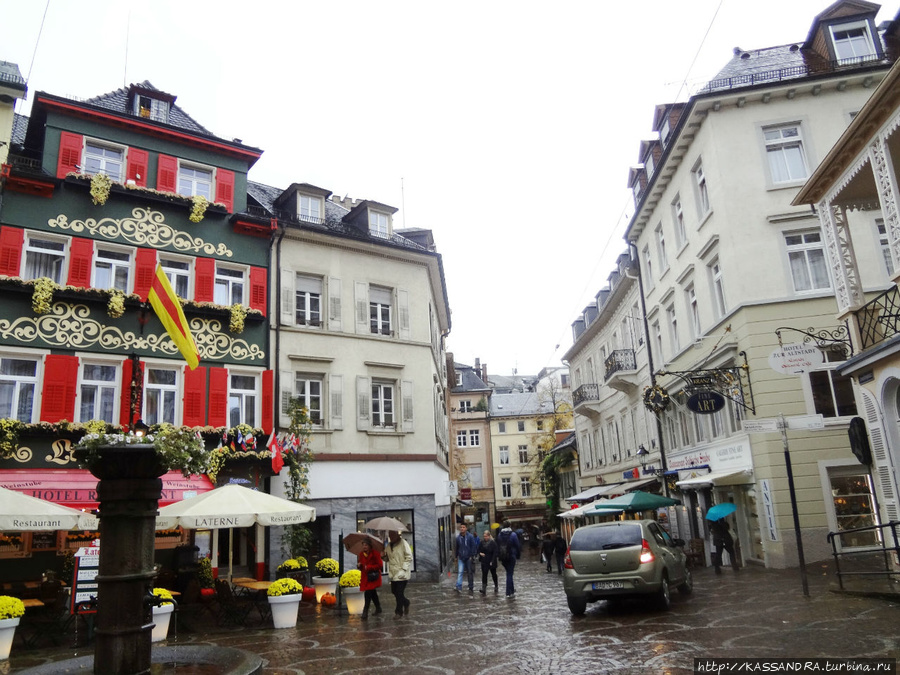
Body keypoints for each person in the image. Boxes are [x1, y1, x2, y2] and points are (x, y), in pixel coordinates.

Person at [385, 530, 412, 616]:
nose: (391, 537)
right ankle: (406, 602)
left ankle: (398, 612)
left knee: (399, 592)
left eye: (392, 535)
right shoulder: (389, 545)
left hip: (402, 573)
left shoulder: (403, 543)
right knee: (394, 591)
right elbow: (388, 559)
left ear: (397, 535)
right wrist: (383, 556)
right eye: (389, 535)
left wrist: (404, 568)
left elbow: (409, 557)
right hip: (393, 573)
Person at [357, 539, 383, 619]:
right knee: (372, 592)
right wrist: (359, 565)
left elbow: (380, 565)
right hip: (366, 577)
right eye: (363, 545)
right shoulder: (361, 554)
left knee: (368, 593)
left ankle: (365, 612)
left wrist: (369, 567)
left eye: (366, 545)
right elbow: (361, 565)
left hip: (373, 576)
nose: (364, 547)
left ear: (369, 546)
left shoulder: (375, 553)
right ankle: (378, 608)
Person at [496, 520, 521, 598]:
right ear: (509, 525)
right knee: (509, 574)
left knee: (509, 572)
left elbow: (498, 545)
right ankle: (508, 592)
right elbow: (517, 545)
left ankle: (512, 590)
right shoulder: (513, 535)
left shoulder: (499, 535)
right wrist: (518, 555)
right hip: (511, 556)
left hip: (503, 557)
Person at [453, 523, 478, 594]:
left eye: (463, 527)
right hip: (461, 557)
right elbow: (457, 548)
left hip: (468, 558)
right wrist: (456, 556)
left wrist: (472, 555)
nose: (462, 528)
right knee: (460, 572)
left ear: (466, 528)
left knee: (469, 573)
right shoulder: (458, 538)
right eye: (461, 527)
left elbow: (473, 546)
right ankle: (459, 586)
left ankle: (470, 586)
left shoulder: (470, 537)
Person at [477, 530, 499, 594]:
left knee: (493, 574)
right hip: (484, 560)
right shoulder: (482, 542)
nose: (485, 538)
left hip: (491, 560)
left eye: (486, 536)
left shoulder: (493, 543)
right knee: (484, 574)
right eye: (484, 536)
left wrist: (492, 560)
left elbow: (495, 552)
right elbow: (478, 549)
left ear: (489, 536)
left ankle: (496, 586)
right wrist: (480, 553)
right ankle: (484, 587)